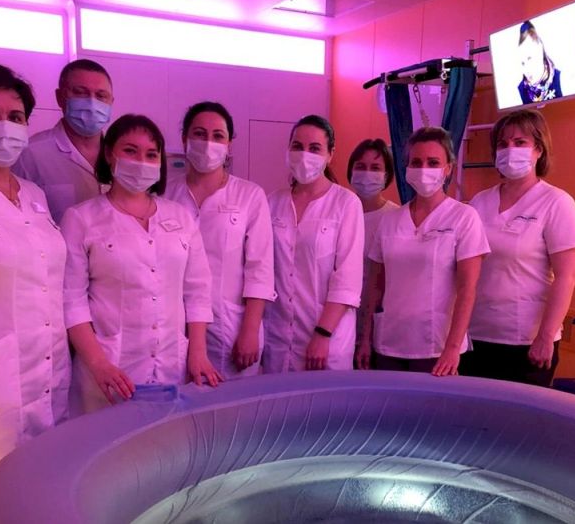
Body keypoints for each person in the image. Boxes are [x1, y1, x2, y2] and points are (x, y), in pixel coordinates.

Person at [61, 114, 220, 415]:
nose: (141, 161)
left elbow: (198, 291)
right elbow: (72, 301)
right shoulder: (81, 219)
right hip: (110, 368)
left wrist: (198, 352)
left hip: (172, 363)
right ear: (109, 154)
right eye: (130, 151)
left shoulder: (181, 217)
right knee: (109, 439)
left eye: (151, 154)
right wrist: (98, 363)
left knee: (166, 438)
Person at [0, 64, 71, 495]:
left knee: (39, 491)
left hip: (48, 377)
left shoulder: (34, 195)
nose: (4, 126)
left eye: (15, 116)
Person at [462, 109, 575, 386]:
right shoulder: (480, 202)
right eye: (502, 144)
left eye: (519, 142)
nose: (509, 150)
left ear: (538, 150)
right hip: (475, 335)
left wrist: (545, 337)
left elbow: (567, 276)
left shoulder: (557, 203)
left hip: (526, 342)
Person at [356, 127, 489, 375]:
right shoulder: (390, 220)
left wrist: (452, 348)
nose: (424, 169)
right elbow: (375, 287)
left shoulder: (464, 217)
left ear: (448, 168)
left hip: (437, 349)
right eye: (416, 162)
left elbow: (467, 290)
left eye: (433, 162)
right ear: (406, 168)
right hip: (388, 343)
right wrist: (365, 338)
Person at [164, 102, 275, 380]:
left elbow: (260, 269)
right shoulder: (167, 195)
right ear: (184, 139)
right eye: (199, 134)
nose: (208, 143)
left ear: (229, 144)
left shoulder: (250, 195)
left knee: (234, 402)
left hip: (231, 326)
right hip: (175, 322)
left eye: (218, 136)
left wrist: (250, 330)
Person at [263, 115, 364, 372]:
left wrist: (322, 334)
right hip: (278, 336)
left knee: (324, 398)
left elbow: (347, 280)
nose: (305, 154)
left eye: (315, 148)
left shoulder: (346, 204)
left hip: (327, 340)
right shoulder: (272, 203)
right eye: (297, 146)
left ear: (330, 155)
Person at [14, 59, 114, 223]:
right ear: (60, 97)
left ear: (111, 102)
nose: (92, 103)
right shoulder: (30, 155)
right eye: (80, 92)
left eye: (101, 96)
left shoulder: (121, 154)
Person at [346, 138, 399, 359]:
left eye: (375, 168)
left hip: (378, 327)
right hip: (339, 321)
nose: (367, 173)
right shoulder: (341, 211)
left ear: (387, 175)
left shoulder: (395, 218)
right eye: (360, 166)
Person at [517, 20, 562, 104]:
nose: (526, 69)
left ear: (540, 50)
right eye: (522, 63)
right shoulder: (520, 91)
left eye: (529, 58)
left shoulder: (561, 79)